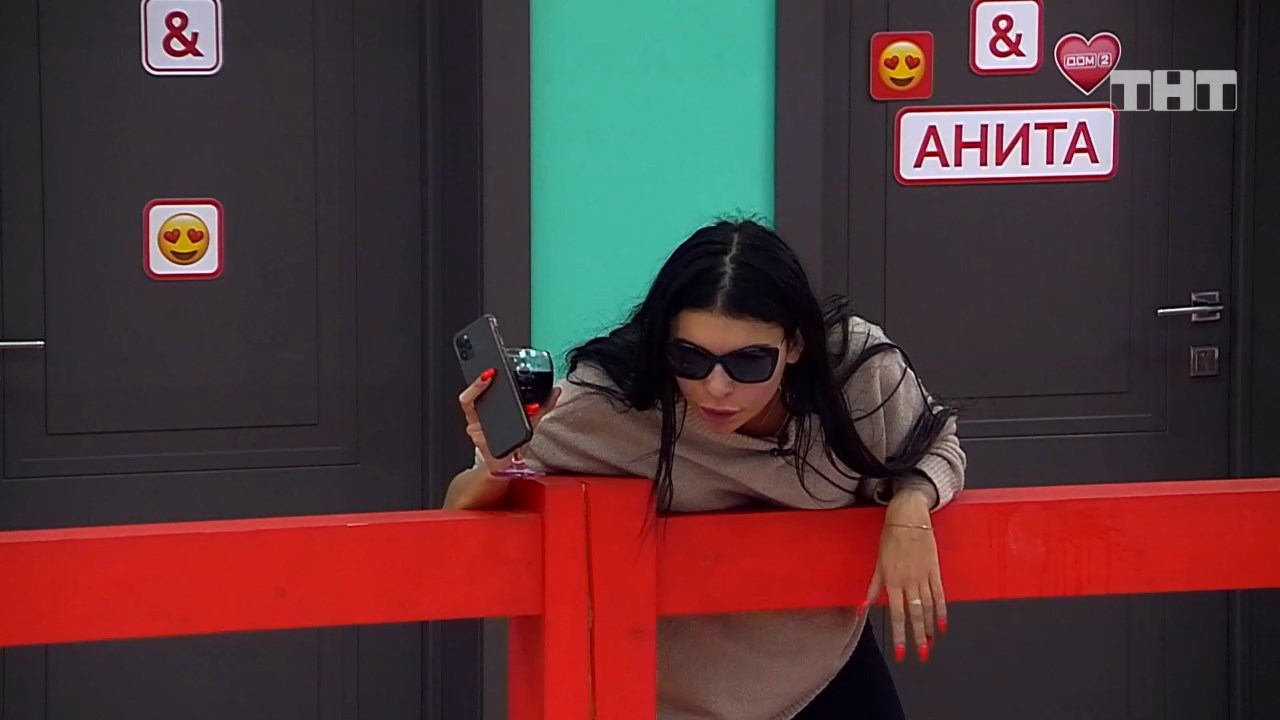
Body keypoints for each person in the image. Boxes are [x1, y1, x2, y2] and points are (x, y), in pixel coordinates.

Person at [446, 219, 965, 720]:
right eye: (690, 359)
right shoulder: (616, 403)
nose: (716, 388)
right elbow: (461, 503)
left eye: (749, 362)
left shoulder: (854, 374)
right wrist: (498, 462)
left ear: (795, 346)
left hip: (825, 669)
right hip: (683, 699)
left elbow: (935, 444)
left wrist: (910, 507)